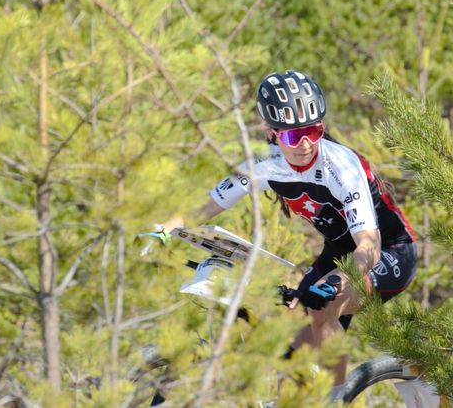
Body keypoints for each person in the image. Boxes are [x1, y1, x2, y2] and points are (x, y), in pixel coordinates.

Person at [159, 70, 417, 401]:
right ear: (272, 133)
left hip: (390, 253)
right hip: (337, 251)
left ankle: (336, 400)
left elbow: (369, 247)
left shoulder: (342, 166)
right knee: (289, 354)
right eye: (294, 137)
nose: (306, 143)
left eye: (313, 131)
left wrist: (335, 282)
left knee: (324, 308)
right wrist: (163, 229)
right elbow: (205, 207)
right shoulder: (265, 163)